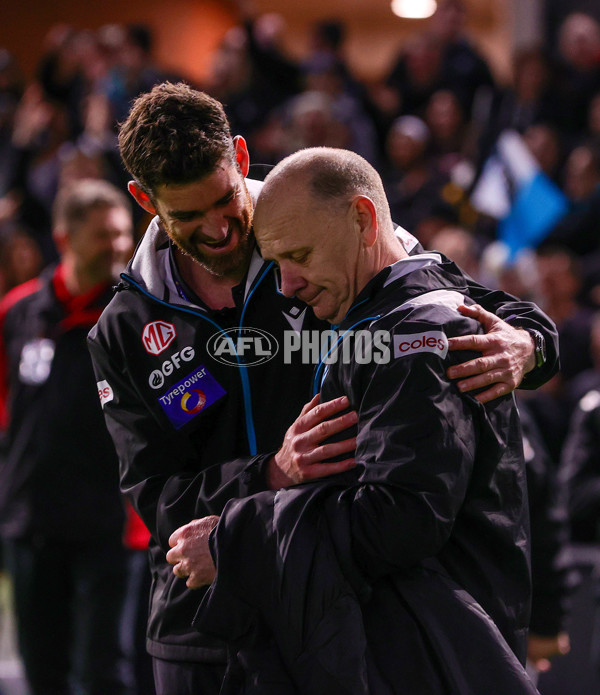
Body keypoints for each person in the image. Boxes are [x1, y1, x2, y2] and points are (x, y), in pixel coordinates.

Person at [88, 82, 558, 695]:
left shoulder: (319, 225)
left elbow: (451, 302)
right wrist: (272, 474)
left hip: (332, 606)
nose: (220, 231)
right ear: (144, 201)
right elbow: (158, 500)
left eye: (226, 201)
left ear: (240, 156)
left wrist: (528, 345)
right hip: (200, 625)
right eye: (187, 217)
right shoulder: (122, 331)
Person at [175, 147, 543, 693]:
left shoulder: (417, 333)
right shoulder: (386, 313)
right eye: (276, 265)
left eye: (298, 255)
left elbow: (401, 519)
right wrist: (536, 341)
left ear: (364, 220)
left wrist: (237, 540)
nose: (288, 287)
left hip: (437, 658)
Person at [0, 179, 134, 695]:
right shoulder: (19, 311)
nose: (118, 246)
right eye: (104, 235)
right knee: (42, 672)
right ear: (64, 239)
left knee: (105, 673)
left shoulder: (132, 317)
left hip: (109, 525)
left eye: (123, 235)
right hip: (31, 518)